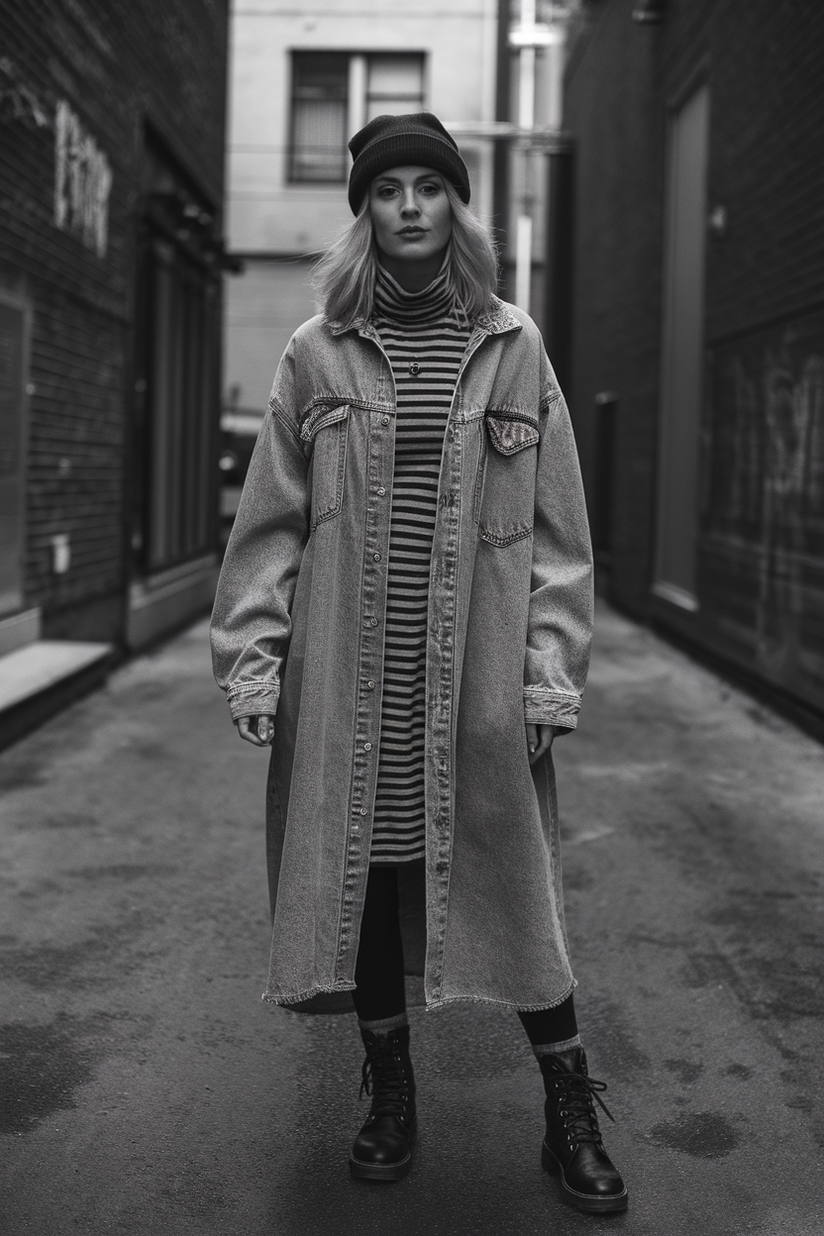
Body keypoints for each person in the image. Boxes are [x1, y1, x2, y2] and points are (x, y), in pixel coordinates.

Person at [210, 112, 627, 1215]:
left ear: (454, 206)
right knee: (372, 893)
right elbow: (267, 532)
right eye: (386, 188)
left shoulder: (512, 345)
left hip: (475, 690)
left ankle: (567, 1103)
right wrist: (255, 665)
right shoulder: (315, 354)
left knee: (519, 898)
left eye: (427, 188)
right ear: (364, 211)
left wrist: (544, 674)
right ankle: (389, 1092)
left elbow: (559, 539)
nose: (407, 206)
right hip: (350, 690)